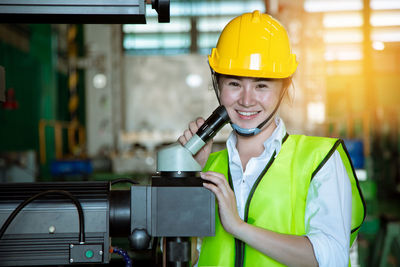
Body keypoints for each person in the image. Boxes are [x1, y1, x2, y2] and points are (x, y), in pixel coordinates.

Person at [178, 10, 365, 267]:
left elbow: (331, 257)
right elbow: (184, 255)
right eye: (234, 83)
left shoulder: (319, 161)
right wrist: (185, 176)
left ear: (284, 88)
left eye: (261, 85)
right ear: (218, 84)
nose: (246, 99)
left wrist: (239, 227)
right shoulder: (208, 168)